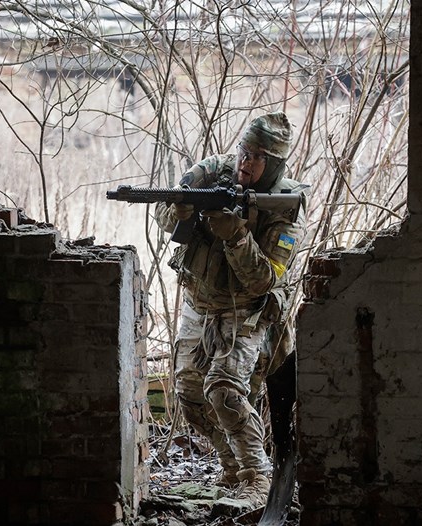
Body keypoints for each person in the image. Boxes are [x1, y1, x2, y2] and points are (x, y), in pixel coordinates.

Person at [155, 112, 307, 509]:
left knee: (224, 390)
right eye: (243, 151)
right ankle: (231, 469)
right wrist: (180, 213)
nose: (245, 163)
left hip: (247, 310)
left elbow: (264, 280)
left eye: (256, 157)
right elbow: (164, 213)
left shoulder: (286, 206)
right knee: (189, 396)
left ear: (273, 164)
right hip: (199, 302)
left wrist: (236, 236)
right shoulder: (209, 172)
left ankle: (257, 476)